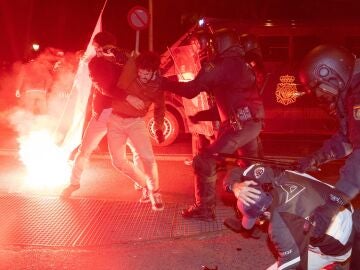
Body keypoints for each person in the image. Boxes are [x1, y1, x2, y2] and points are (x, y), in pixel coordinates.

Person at [162, 28, 265, 220]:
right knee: (252, 167)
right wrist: (203, 115)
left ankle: (205, 209)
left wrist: (164, 83)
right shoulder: (243, 63)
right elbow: (233, 100)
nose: (208, 48)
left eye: (212, 44)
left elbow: (192, 90)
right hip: (252, 125)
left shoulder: (220, 65)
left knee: (204, 159)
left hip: (238, 127)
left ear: (221, 44)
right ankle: (259, 208)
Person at [296, 44, 360, 269]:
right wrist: (315, 158)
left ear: (331, 73)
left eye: (321, 88)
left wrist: (332, 204)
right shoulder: (351, 92)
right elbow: (347, 141)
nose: (321, 96)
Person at [230, 164, 355, 270]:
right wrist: (234, 185)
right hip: (342, 205)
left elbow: (294, 265)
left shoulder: (281, 228)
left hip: (340, 245)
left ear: (266, 213)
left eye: (258, 219)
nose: (260, 223)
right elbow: (240, 170)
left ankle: (330, 264)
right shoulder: (281, 173)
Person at [90, 50, 166, 211]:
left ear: (154, 71)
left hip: (136, 123)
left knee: (148, 158)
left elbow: (160, 108)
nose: (142, 77)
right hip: (115, 120)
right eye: (140, 73)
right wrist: (111, 52)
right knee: (117, 161)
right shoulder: (131, 72)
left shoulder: (158, 86)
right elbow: (126, 59)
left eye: (146, 74)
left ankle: (155, 191)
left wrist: (159, 128)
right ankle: (145, 185)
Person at [61, 31, 130, 197]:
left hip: (122, 111)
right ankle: (74, 183)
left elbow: (132, 79)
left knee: (130, 151)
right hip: (107, 111)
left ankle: (144, 186)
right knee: (85, 149)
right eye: (98, 48)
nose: (96, 49)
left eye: (97, 46)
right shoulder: (96, 63)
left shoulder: (122, 60)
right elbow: (104, 87)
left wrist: (123, 61)